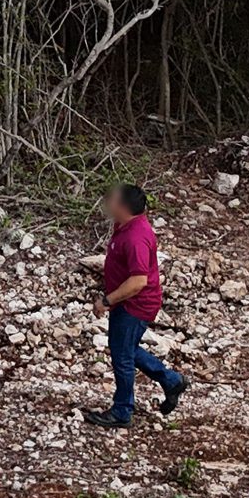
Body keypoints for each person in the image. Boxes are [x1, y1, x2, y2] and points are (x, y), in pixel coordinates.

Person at [83, 183, 189, 429]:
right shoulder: (125, 225)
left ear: (122, 206)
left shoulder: (136, 237)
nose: (107, 202)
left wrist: (107, 301)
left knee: (122, 355)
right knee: (125, 348)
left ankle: (122, 411)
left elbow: (138, 281)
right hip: (127, 301)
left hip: (135, 305)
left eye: (112, 199)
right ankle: (172, 381)